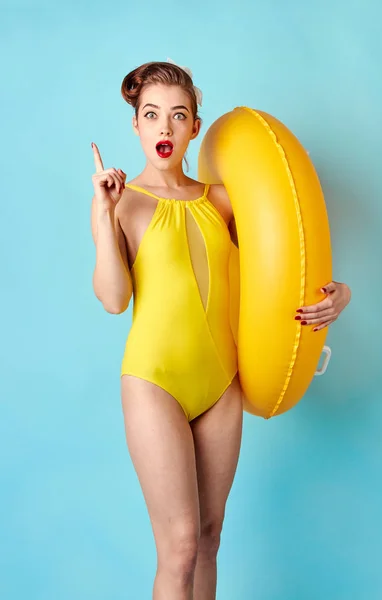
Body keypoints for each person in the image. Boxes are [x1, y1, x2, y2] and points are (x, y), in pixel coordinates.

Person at [90, 61, 352, 600]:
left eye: (178, 116)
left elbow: (289, 260)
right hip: (154, 381)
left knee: (209, 540)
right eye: (152, 115)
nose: (165, 128)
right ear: (136, 125)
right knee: (180, 545)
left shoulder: (223, 201)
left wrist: (338, 295)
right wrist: (101, 219)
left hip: (221, 383)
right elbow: (114, 300)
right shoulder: (122, 204)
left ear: (194, 128)